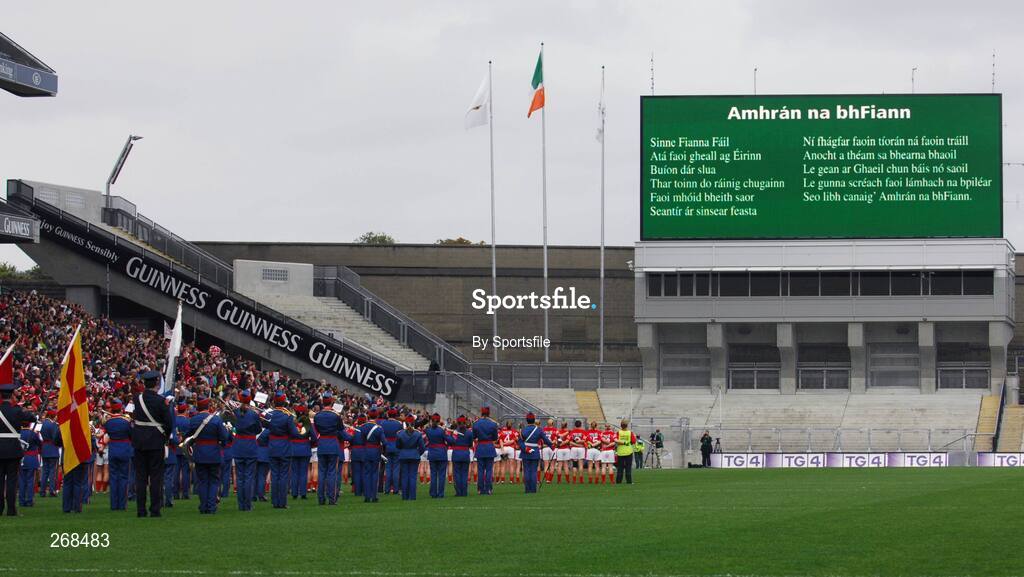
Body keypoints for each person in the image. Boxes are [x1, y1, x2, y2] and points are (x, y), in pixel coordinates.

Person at [131, 371, 174, 518]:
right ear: (156, 383)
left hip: (139, 442)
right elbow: (168, 423)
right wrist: (166, 437)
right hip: (156, 441)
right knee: (156, 477)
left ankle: (140, 509)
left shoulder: (137, 399)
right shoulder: (160, 401)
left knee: (141, 477)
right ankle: (155, 509)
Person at [188, 395, 229, 514]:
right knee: (214, 481)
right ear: (208, 407)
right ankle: (211, 506)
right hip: (214, 453)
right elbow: (224, 437)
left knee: (202, 481)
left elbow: (189, 436)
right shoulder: (216, 420)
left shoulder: (194, 419)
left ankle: (203, 506)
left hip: (199, 451)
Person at [1, 383, 33, 517]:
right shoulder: (17, 410)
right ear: (13, 395)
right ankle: (11, 510)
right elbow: (31, 418)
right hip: (13, 448)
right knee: (12, 481)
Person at [266, 391, 299, 509]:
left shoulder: (269, 414)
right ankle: (282, 502)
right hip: (284, 446)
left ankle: (275, 502)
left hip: (273, 446)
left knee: (275, 475)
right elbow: (294, 433)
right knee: (283, 475)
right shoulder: (288, 415)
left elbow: (266, 427)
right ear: (284, 402)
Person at [231, 389, 262, 511]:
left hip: (238, 446)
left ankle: (241, 504)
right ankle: (247, 504)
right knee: (248, 477)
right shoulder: (254, 414)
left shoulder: (235, 412)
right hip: (250, 446)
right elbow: (259, 429)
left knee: (240, 477)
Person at [312, 391, 342, 505]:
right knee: (332, 473)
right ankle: (331, 498)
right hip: (332, 444)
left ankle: (321, 498)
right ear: (331, 402)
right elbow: (340, 429)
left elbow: (317, 430)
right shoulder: (335, 415)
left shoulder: (318, 416)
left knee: (322, 473)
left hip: (322, 444)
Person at [104, 398, 134, 511]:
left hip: (113, 449)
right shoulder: (126, 422)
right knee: (123, 478)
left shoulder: (108, 422)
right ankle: (121, 505)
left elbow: (104, 433)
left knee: (114, 478)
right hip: (125, 449)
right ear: (121, 409)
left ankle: (114, 504)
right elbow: (132, 435)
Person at [519, 412, 553, 494]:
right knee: (534, 471)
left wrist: (525, 449)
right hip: (535, 451)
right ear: (534, 420)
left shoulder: (523, 430)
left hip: (525, 452)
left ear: (527, 420)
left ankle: (527, 489)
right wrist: (552, 446)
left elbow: (520, 442)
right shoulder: (539, 429)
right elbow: (546, 440)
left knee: (526, 471)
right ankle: (533, 489)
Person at [471, 406, 498, 495]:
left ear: (481, 413)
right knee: (489, 470)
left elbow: (474, 436)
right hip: (489, 447)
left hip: (481, 447)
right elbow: (495, 437)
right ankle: (489, 489)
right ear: (489, 413)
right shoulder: (493, 424)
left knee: (480, 470)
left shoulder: (476, 423)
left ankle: (480, 489)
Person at [396, 415, 424, 500]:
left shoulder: (400, 433)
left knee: (404, 476)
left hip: (404, 455)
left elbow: (398, 446)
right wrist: (417, 453)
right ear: (414, 423)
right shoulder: (418, 434)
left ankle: (405, 496)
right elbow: (422, 447)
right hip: (414, 455)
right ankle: (412, 496)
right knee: (412, 476)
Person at [359, 408, 384, 503]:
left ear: (368, 416)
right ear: (377, 416)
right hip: (375, 451)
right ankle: (373, 496)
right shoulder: (379, 428)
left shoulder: (363, 427)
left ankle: (367, 496)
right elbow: (384, 442)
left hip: (366, 451)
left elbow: (361, 441)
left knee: (366, 474)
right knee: (374, 474)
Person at [17, 412, 40, 508]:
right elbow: (39, 443)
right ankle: (29, 500)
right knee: (30, 481)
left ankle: (22, 501)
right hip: (31, 458)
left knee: (22, 480)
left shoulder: (19, 433)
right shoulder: (33, 433)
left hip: (21, 458)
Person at [289, 404, 312, 500]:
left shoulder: (292, 421)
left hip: (294, 448)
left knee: (294, 472)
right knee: (303, 472)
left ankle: (294, 493)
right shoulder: (307, 422)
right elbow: (314, 436)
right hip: (305, 448)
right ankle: (303, 493)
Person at [378, 408, 402, 496]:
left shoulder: (383, 423)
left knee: (387, 469)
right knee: (396, 469)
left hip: (387, 446)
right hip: (396, 446)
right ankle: (395, 489)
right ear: (395, 415)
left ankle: (387, 489)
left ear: (388, 415)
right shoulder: (398, 424)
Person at [424, 413, 448, 498]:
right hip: (441, 453)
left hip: (432, 453)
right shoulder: (441, 430)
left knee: (433, 474)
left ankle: (433, 493)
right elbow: (449, 440)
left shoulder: (428, 430)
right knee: (441, 475)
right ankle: (440, 493)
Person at [448, 415, 473, 497]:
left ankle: (458, 492)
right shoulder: (469, 432)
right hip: (465, 453)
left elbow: (451, 442)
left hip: (456, 454)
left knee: (457, 474)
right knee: (465, 474)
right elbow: (470, 444)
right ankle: (464, 492)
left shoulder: (455, 432)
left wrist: (451, 435)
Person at [38, 408, 60, 498]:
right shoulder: (53, 424)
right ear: (53, 416)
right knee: (52, 471)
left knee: (45, 471)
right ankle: (51, 490)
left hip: (45, 448)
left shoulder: (44, 424)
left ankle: (42, 491)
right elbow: (55, 437)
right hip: (52, 448)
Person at [173, 402, 191, 500]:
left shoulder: (174, 420)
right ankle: (185, 493)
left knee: (176, 471)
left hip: (176, 447)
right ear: (185, 411)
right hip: (185, 446)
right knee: (185, 472)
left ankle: (175, 493)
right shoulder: (188, 421)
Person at [615, 420, 636, 485]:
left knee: (620, 467)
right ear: (627, 426)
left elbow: (616, 440)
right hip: (628, 451)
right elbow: (633, 441)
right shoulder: (630, 433)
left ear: (621, 426)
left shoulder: (618, 432)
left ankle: (618, 481)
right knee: (628, 467)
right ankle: (629, 481)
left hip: (620, 451)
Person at [568, 420, 587, 484]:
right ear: (581, 424)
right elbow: (584, 440)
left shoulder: (572, 432)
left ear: (575, 425)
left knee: (574, 465)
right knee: (581, 464)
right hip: (581, 448)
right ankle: (581, 480)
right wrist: (579, 445)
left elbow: (570, 441)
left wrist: (575, 444)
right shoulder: (583, 431)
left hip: (573, 448)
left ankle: (574, 479)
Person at [254, 428, 270, 502]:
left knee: (254, 476)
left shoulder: (255, 430)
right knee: (262, 476)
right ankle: (261, 495)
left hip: (254, 452)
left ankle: (253, 495)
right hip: (264, 453)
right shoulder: (268, 431)